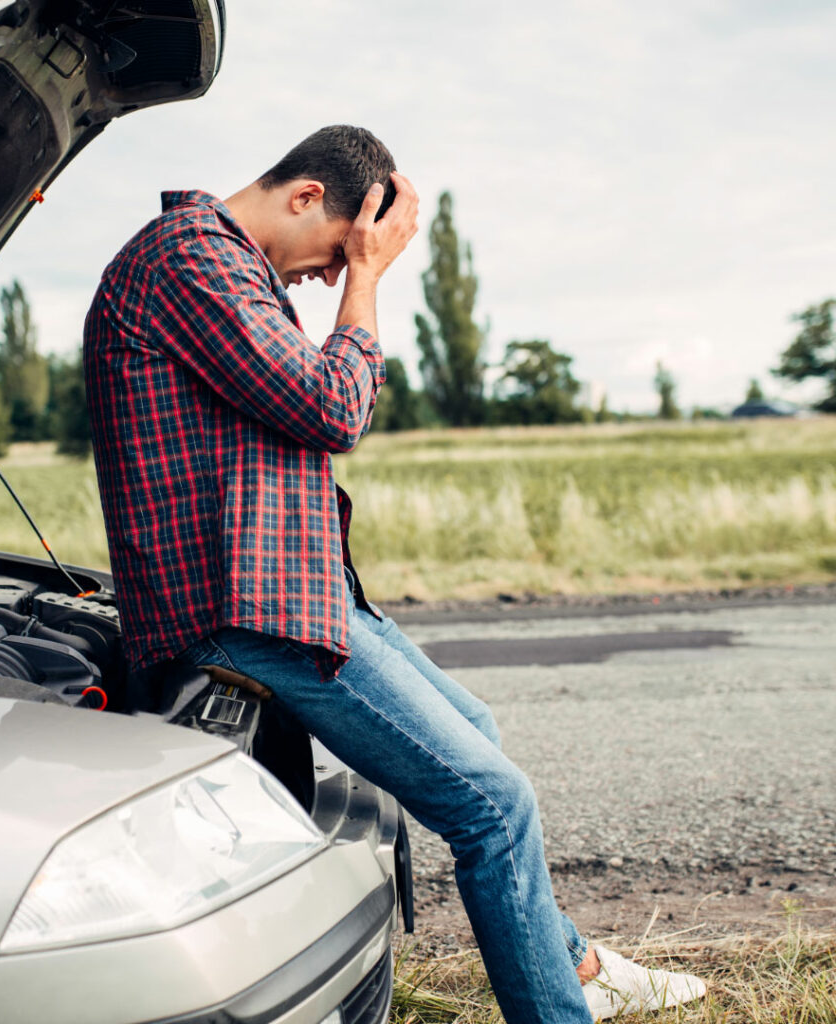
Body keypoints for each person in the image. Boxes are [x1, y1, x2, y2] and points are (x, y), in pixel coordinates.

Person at [83, 125, 707, 1023]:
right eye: (339, 250)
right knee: (494, 807)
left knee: (477, 731)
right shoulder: (192, 258)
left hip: (296, 595)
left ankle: (576, 969)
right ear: (304, 196)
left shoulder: (219, 265)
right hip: (248, 613)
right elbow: (330, 405)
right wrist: (371, 281)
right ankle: (560, 1005)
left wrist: (357, 267)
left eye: (347, 267)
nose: (333, 277)